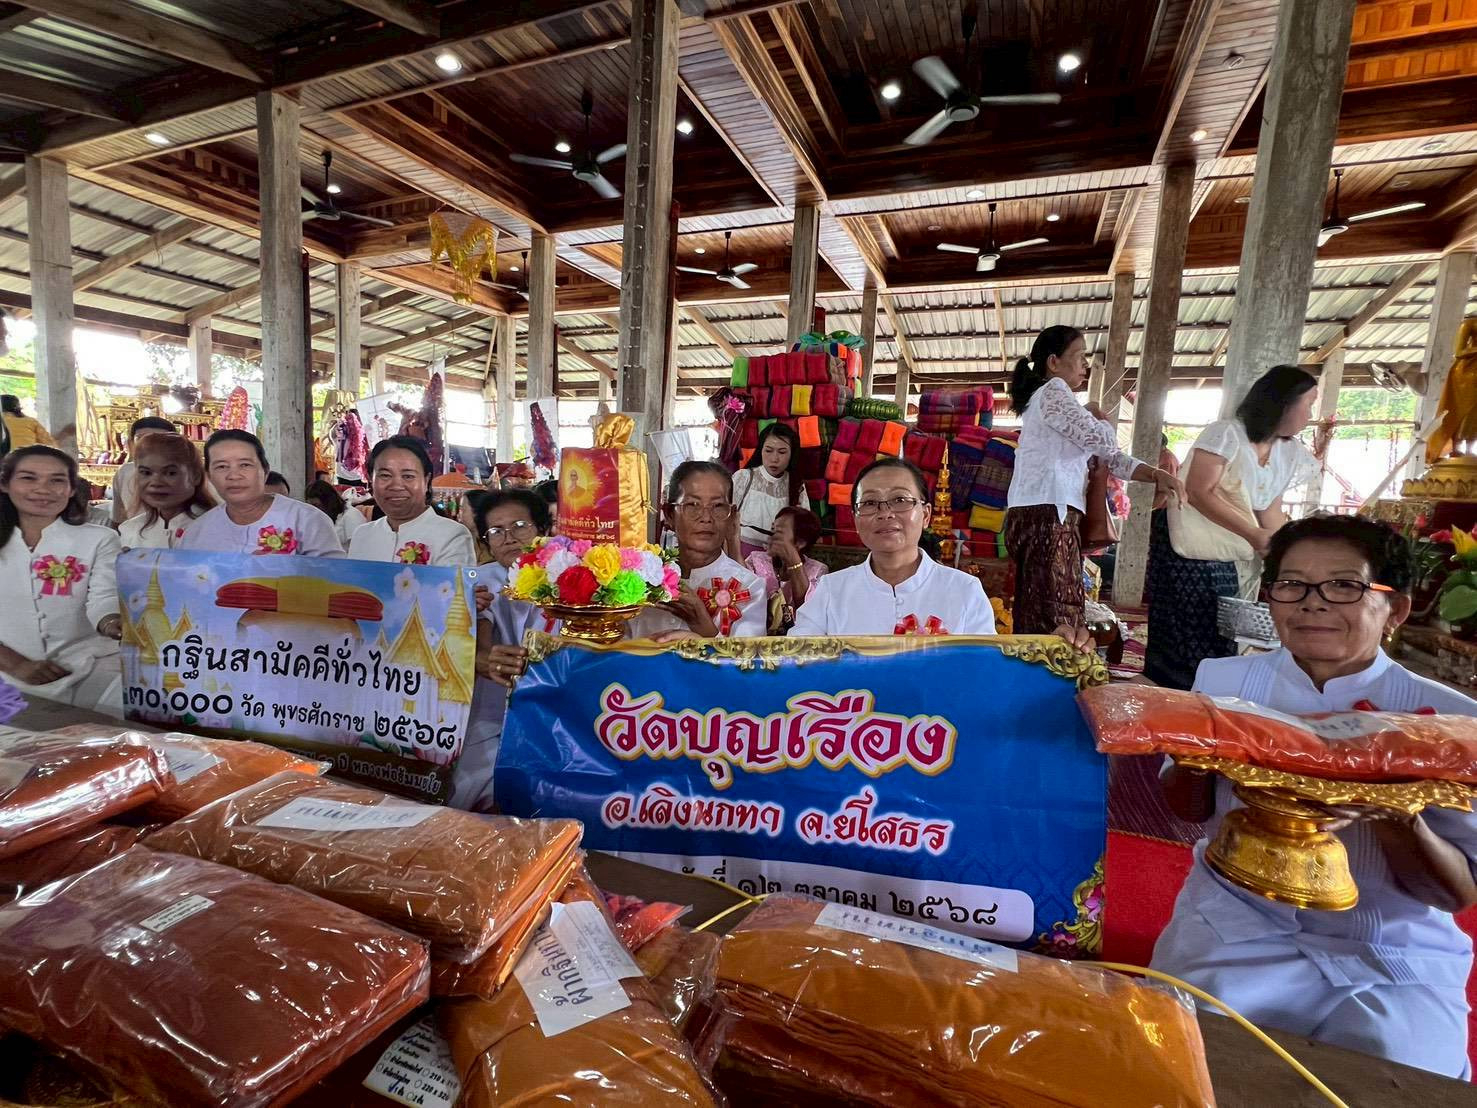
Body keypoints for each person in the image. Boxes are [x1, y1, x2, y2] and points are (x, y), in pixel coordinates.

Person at [1154, 515, 1477, 1078]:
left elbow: (1455, 894)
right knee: (1186, 1056)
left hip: (1385, 946)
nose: (1313, 603)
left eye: (1345, 586)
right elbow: (1187, 809)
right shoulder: (1223, 684)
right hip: (1237, 921)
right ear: (1270, 596)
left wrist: (1396, 815)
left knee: (1399, 1070)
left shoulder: (1448, 721)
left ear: (1395, 609)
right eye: (1292, 584)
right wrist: (1197, 748)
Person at [1145, 365, 1318, 689]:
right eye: (1308, 403)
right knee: (1188, 624)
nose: (1311, 413)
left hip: (1235, 547)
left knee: (1225, 626)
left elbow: (1269, 509)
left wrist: (1286, 554)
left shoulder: (1289, 451)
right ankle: (1175, 696)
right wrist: (1252, 534)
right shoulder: (1226, 433)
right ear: (1284, 403)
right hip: (1192, 545)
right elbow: (1198, 491)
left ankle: (1209, 694)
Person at [1005, 325, 1182, 635]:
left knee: (1039, 604)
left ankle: (1035, 674)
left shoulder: (1049, 402)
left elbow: (1110, 458)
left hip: (1040, 510)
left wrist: (1154, 474)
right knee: (1057, 610)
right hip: (1050, 512)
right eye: (1080, 355)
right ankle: (1053, 679)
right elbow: (1103, 442)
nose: (1085, 364)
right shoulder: (1054, 392)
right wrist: (1097, 413)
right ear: (1053, 362)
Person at [792, 458, 1054, 640]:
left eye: (900, 500)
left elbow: (984, 670)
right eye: (870, 503)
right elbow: (795, 661)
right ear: (855, 519)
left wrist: (1058, 648)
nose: (885, 513)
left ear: (926, 514)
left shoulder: (964, 590)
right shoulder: (830, 591)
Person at [453, 489, 555, 811]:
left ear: (543, 529)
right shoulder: (481, 579)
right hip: (493, 714)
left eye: (520, 525)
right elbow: (482, 618)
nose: (508, 538)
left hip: (556, 715)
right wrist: (484, 656)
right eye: (496, 531)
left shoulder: (569, 576)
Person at [0, 446, 123, 714]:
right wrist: (16, 664)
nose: (43, 489)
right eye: (28, 478)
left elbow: (104, 596)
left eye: (57, 480)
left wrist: (111, 622)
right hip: (5, 675)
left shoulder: (99, 539)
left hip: (87, 665)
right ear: (5, 484)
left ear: (70, 489)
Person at [628, 461, 765, 639]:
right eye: (692, 505)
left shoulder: (750, 587)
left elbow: (748, 664)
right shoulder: (638, 580)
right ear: (669, 514)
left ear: (731, 516)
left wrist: (703, 627)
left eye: (718, 506)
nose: (706, 518)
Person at [180, 430, 343, 557]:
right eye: (221, 467)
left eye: (245, 465)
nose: (234, 475)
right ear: (209, 476)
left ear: (265, 471)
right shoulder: (197, 532)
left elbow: (335, 581)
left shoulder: (307, 521)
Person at [347, 436, 475, 566]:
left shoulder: (452, 535)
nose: (396, 486)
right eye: (385, 475)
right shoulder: (362, 535)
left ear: (426, 481)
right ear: (371, 480)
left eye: (408, 476)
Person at [117, 433, 214, 550]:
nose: (156, 482)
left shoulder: (216, 527)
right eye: (146, 473)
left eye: (170, 473)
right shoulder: (131, 530)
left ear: (195, 476)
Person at [732, 422, 811, 557]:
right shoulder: (743, 477)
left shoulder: (796, 485)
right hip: (742, 555)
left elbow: (804, 526)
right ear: (760, 450)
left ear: (792, 454)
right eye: (768, 450)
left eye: (782, 452)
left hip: (778, 558)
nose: (774, 459)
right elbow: (726, 519)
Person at [746, 506, 826, 634]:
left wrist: (792, 558)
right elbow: (741, 597)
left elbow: (809, 611)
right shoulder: (755, 560)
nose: (771, 537)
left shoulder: (817, 571)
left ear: (800, 543)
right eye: (772, 530)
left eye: (779, 533)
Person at [110, 415, 177, 525]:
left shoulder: (186, 473)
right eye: (142, 439)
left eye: (160, 440)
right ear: (130, 444)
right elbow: (119, 519)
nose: (151, 446)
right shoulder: (125, 472)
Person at [304, 478, 366, 549]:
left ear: (328, 502)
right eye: (309, 506)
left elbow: (359, 546)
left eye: (316, 505)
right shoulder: (316, 518)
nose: (313, 510)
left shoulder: (351, 515)